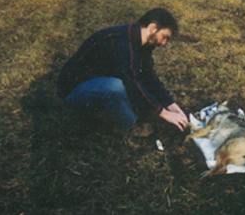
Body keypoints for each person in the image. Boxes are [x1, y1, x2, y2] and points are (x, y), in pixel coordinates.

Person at [57, 8, 188, 137]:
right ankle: (126, 127)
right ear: (153, 28)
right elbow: (132, 83)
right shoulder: (122, 43)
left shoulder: (142, 43)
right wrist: (163, 113)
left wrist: (171, 105)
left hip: (97, 82)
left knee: (126, 88)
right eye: (164, 37)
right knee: (117, 87)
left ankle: (106, 111)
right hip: (72, 91)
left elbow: (150, 77)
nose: (164, 43)